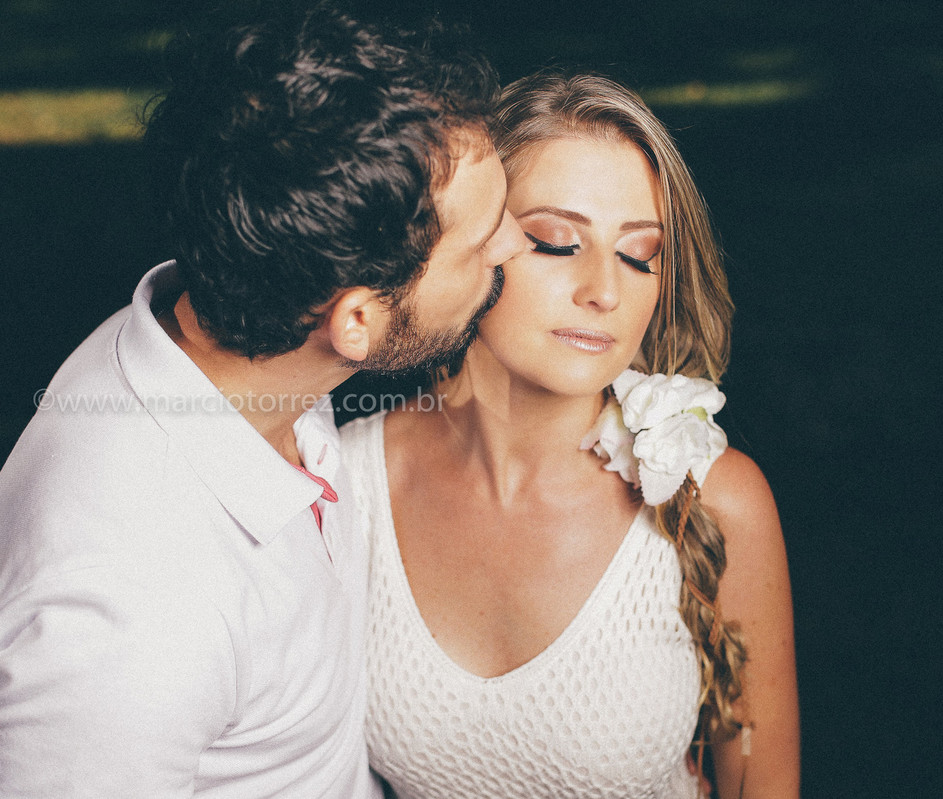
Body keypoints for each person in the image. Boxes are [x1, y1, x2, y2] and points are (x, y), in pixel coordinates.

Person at [0, 2, 524, 796]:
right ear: (356, 320)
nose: (514, 242)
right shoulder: (128, 619)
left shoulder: (250, 344)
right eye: (481, 241)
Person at [341, 71, 800, 798]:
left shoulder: (713, 499)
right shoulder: (342, 481)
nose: (605, 291)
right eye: (556, 243)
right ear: (469, 244)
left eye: (639, 253)